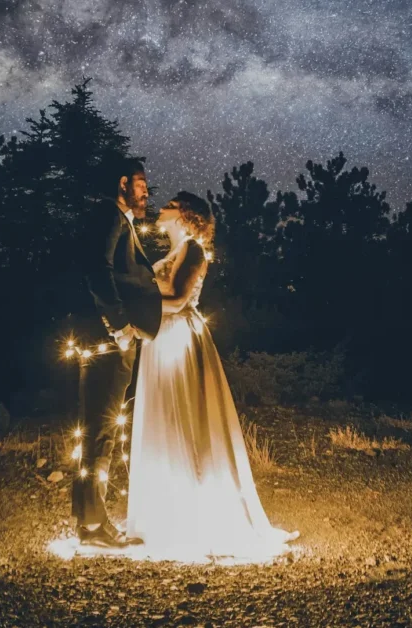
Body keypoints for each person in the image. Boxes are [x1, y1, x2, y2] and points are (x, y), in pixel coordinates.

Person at [125, 191, 298, 561]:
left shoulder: (193, 250)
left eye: (171, 204)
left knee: (186, 418)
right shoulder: (172, 253)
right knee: (163, 420)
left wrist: (134, 307)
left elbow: (177, 298)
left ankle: (198, 512)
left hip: (178, 339)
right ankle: (165, 512)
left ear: (186, 215)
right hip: (159, 338)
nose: (163, 207)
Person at [72, 158, 162, 548]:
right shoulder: (111, 217)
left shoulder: (120, 220)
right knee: (101, 429)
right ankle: (93, 527)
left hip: (111, 339)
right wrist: (120, 324)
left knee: (100, 429)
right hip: (110, 341)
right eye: (141, 183)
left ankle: (91, 521)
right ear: (123, 182)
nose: (146, 191)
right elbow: (96, 269)